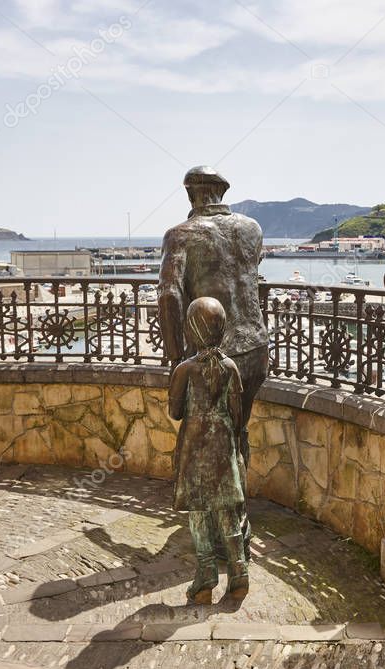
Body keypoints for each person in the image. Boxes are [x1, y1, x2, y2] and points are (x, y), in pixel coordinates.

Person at [159, 166, 270, 558]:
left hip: (211, 349)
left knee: (208, 444)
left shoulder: (180, 235)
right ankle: (239, 526)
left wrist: (176, 358)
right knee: (235, 433)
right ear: (222, 191)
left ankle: (220, 538)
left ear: (191, 194)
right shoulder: (252, 228)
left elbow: (169, 296)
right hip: (255, 347)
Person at [168, 297, 248, 604]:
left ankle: (205, 576)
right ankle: (239, 573)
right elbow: (238, 415)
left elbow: (176, 413)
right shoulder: (230, 367)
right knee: (227, 510)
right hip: (223, 448)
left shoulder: (184, 370)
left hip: (193, 448)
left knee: (199, 512)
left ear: (191, 330)